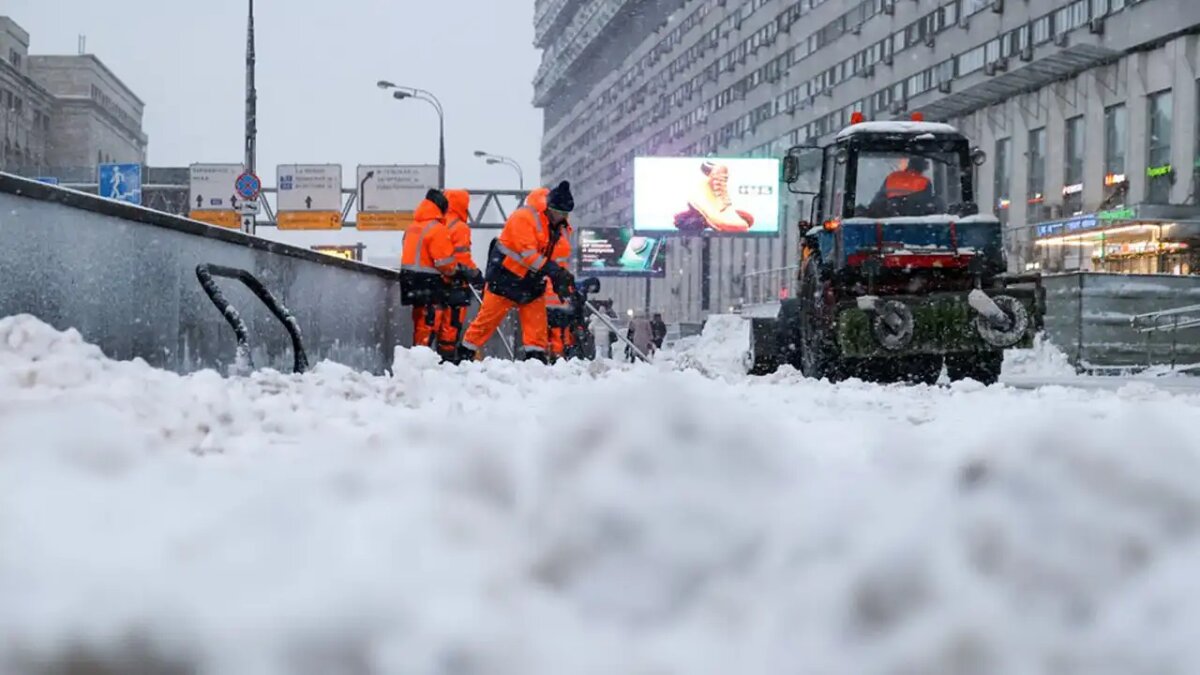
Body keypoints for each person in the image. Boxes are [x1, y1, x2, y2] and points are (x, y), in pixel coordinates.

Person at [460, 181, 576, 363]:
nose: (560, 218)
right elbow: (529, 254)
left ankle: (536, 364)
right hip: (505, 279)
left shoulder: (561, 229)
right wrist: (554, 271)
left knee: (537, 331)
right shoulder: (524, 218)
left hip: (532, 284)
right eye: (558, 213)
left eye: (564, 214)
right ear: (548, 206)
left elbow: (558, 257)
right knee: (485, 324)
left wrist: (562, 280)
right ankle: (462, 359)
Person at [400, 189, 458, 349]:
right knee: (429, 322)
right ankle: (421, 358)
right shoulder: (437, 229)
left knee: (419, 320)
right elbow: (444, 263)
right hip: (429, 282)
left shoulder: (412, 227)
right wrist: (456, 272)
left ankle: (416, 353)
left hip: (409, 280)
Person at [435, 189, 483, 364]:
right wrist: (477, 275)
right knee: (451, 326)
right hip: (455, 285)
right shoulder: (460, 227)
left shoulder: (438, 223)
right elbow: (463, 258)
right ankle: (448, 361)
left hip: (435, 283)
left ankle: (434, 359)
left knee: (435, 325)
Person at [869, 156, 936, 217]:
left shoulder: (893, 177)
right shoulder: (924, 181)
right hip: (912, 218)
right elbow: (926, 205)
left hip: (890, 216)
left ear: (909, 165)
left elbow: (878, 199)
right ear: (923, 168)